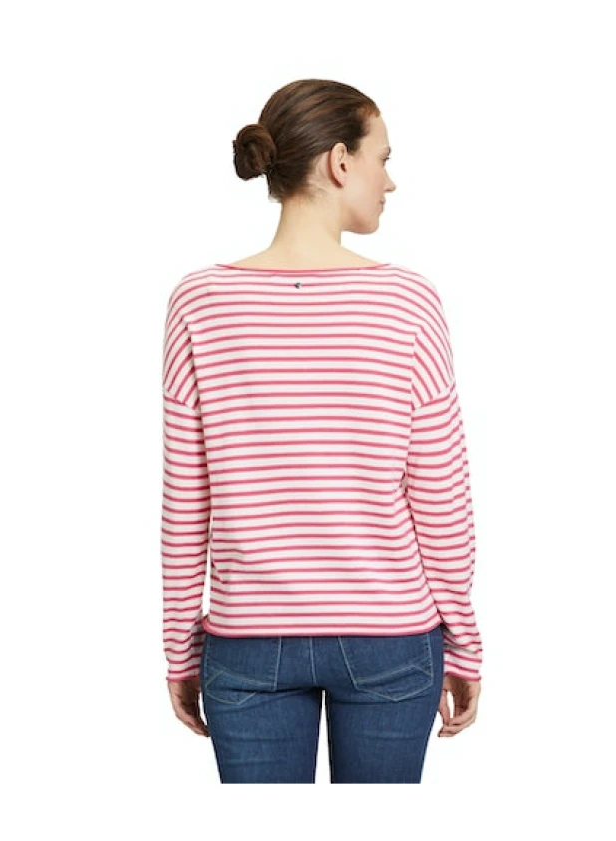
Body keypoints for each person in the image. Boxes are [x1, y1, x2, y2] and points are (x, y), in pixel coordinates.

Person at [161, 78, 483, 783]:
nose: (389, 181)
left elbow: (186, 501)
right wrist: (463, 641)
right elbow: (440, 494)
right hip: (391, 638)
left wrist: (180, 649)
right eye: (382, 159)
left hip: (246, 642)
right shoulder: (407, 301)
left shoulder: (198, 302)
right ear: (340, 161)